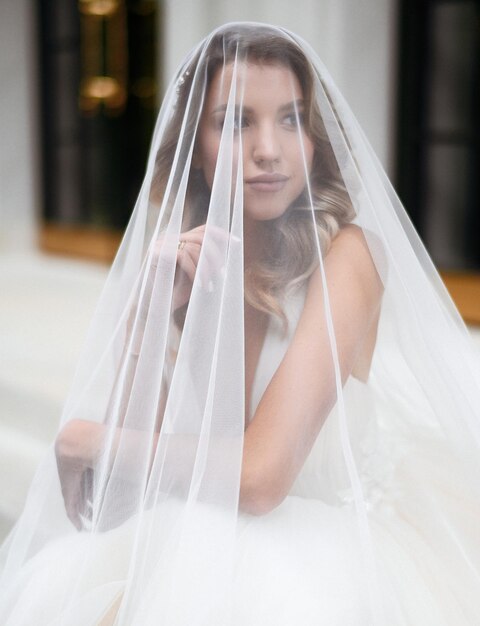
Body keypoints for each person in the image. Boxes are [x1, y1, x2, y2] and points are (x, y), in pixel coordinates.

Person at [1, 22, 480, 626]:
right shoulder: (190, 262)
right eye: (234, 121)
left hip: (324, 556)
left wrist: (85, 439)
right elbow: (123, 500)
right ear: (194, 148)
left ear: (315, 138)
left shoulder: (350, 257)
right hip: (203, 540)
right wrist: (148, 317)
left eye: (291, 119)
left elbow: (259, 479)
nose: (268, 150)